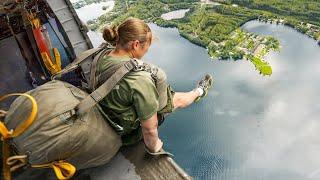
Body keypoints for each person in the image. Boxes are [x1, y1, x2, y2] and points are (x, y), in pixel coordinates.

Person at [97, 17, 213, 154]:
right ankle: (200, 91)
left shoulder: (103, 56)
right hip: (124, 134)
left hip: (104, 116)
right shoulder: (139, 79)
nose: (146, 51)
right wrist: (155, 146)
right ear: (135, 44)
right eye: (146, 47)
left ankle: (198, 91)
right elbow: (150, 129)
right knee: (176, 100)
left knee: (172, 98)